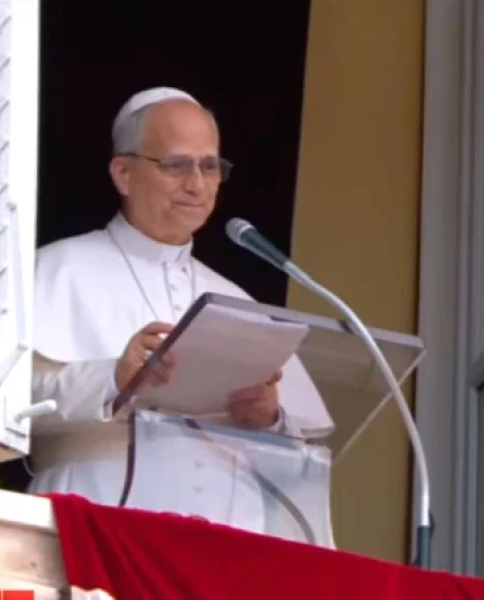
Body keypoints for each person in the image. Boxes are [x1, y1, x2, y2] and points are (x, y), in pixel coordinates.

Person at [27, 87, 332, 534]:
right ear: (124, 173)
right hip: (97, 514)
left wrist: (267, 417)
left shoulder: (234, 298)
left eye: (209, 166)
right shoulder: (58, 268)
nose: (196, 184)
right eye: (176, 165)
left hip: (223, 536)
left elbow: (294, 453)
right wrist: (113, 378)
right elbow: (6, 401)